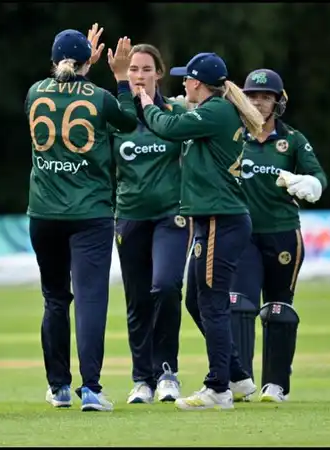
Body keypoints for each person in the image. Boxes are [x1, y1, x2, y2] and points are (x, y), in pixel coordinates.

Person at [129, 52, 265, 410]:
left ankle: (218, 388)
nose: (183, 84)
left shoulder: (216, 111)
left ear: (198, 83)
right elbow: (180, 122)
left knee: (212, 303)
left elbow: (169, 127)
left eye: (186, 79)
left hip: (222, 219)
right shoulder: (210, 112)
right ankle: (237, 376)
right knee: (196, 299)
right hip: (213, 219)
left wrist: (145, 102)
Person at [26, 25, 138, 412]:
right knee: (90, 299)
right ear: (89, 61)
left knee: (55, 299)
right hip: (89, 213)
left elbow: (65, 86)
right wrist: (122, 78)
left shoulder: (34, 92)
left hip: (43, 213)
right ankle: (90, 389)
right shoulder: (101, 97)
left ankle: (58, 387)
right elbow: (127, 121)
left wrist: (83, 61)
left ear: (53, 61)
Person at [219, 68, 328, 403]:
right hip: (242, 234)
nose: (259, 102)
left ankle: (276, 385)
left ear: (278, 102)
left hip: (283, 234)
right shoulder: (231, 135)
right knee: (239, 305)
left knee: (279, 309)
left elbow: (318, 175)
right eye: (252, 96)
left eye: (266, 97)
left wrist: (309, 184)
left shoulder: (292, 139)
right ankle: (240, 380)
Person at [110, 43, 190, 405]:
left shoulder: (176, 111)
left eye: (145, 69)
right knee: (137, 300)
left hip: (171, 215)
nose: (139, 76)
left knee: (167, 286)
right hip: (129, 216)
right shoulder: (117, 118)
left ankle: (167, 372)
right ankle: (141, 379)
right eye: (133, 70)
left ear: (159, 73)